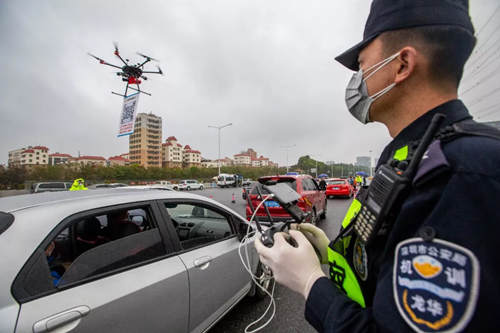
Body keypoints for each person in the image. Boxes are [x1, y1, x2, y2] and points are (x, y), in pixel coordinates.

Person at [255, 0, 500, 332]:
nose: (358, 79)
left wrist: (310, 282)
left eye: (362, 64)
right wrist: (329, 255)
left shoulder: (463, 173)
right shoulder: (409, 155)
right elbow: (389, 263)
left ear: (401, 65)